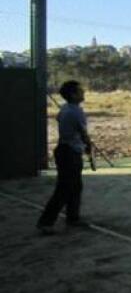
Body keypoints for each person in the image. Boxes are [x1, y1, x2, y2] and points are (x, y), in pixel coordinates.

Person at [37, 81, 93, 235]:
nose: (83, 92)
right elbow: (83, 132)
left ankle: (72, 218)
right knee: (64, 189)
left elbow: (61, 120)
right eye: (80, 91)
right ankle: (45, 223)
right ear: (73, 94)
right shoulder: (75, 112)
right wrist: (88, 146)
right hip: (69, 153)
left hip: (65, 150)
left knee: (75, 187)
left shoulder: (66, 108)